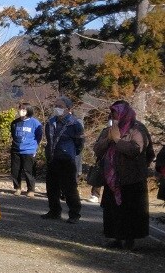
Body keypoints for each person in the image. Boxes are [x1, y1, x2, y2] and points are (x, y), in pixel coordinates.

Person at [92, 101, 153, 250]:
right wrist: (109, 140)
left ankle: (130, 240)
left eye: (116, 112)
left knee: (131, 211)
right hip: (112, 178)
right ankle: (117, 238)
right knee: (113, 211)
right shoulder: (109, 130)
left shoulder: (137, 129)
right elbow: (97, 149)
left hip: (132, 179)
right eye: (112, 113)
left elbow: (136, 150)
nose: (114, 115)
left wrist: (118, 141)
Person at [42, 96, 84, 223]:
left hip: (67, 160)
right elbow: (49, 140)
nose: (57, 109)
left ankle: (74, 214)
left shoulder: (75, 124)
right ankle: (54, 211)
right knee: (52, 187)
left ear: (68, 109)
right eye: (56, 106)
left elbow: (80, 143)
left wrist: (70, 152)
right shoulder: (50, 122)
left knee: (69, 188)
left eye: (60, 106)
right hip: (52, 158)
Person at [10, 102, 43, 196]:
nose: (21, 111)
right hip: (16, 149)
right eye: (20, 109)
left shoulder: (35, 123)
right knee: (15, 170)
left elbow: (39, 136)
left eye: (24, 109)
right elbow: (13, 134)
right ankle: (17, 188)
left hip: (29, 150)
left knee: (29, 171)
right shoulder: (15, 123)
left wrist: (34, 147)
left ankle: (31, 190)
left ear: (28, 110)